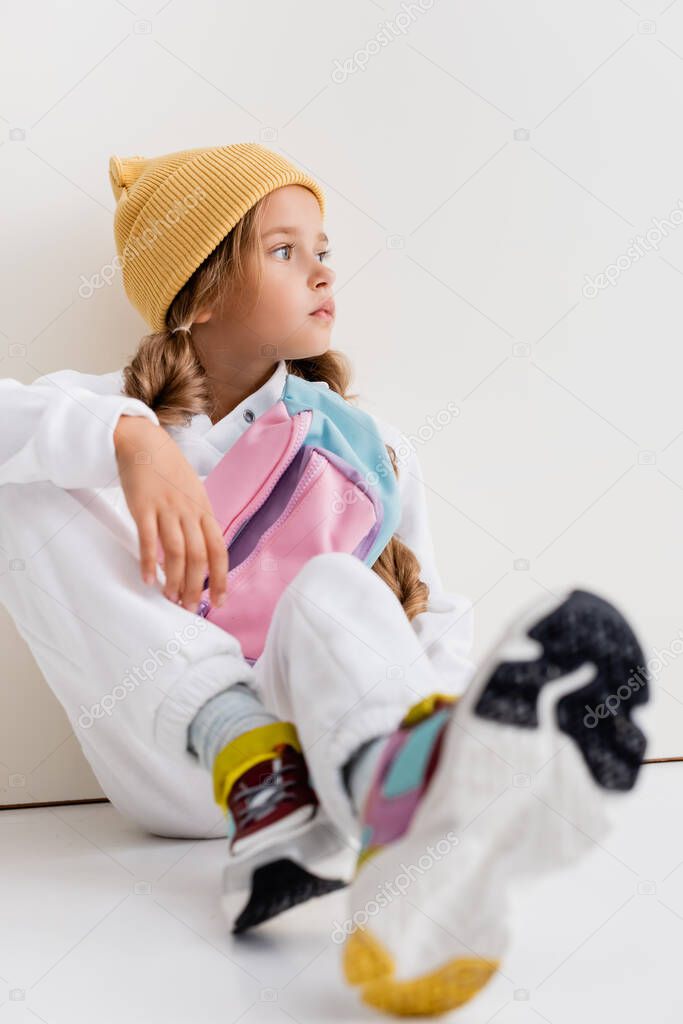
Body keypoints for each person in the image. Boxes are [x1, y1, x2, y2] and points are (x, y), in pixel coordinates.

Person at [0, 142, 650, 1018]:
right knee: (20, 491)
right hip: (174, 763)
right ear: (197, 292)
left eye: (322, 248)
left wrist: (457, 714)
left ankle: (416, 803)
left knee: (337, 591)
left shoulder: (365, 450)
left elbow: (432, 622)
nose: (319, 269)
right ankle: (252, 756)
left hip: (327, 766)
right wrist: (129, 438)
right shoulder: (96, 415)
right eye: (282, 250)